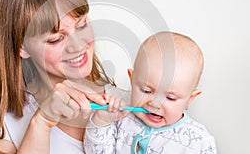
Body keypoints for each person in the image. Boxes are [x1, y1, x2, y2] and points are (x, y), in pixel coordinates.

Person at [0, 0, 123, 154]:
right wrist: (42, 122)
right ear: (22, 47)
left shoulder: (122, 101)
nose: (78, 45)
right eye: (57, 39)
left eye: (82, 25)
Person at [84, 31, 217, 154]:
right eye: (146, 91)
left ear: (190, 98)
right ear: (132, 79)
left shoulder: (199, 141)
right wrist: (101, 121)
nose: (154, 103)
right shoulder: (120, 118)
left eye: (170, 98)